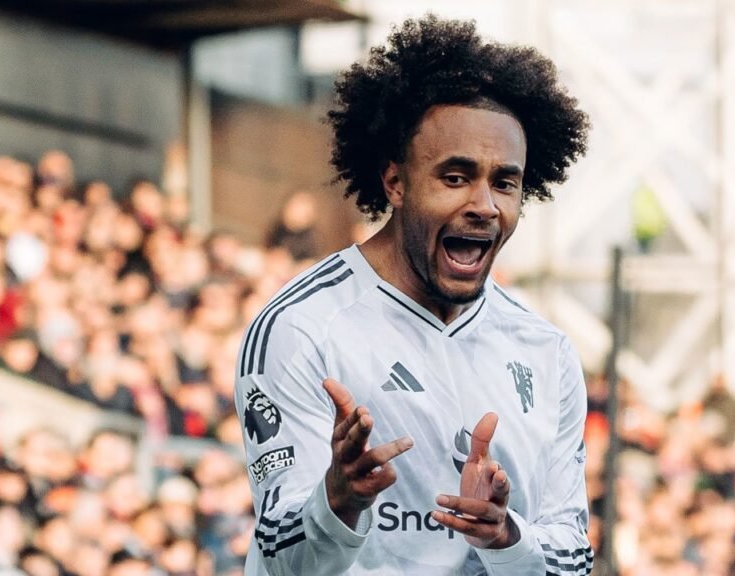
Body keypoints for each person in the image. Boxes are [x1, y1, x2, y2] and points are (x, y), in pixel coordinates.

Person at [234, 15, 591, 575]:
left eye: (504, 182)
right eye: (455, 177)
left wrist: (506, 536)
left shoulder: (546, 351)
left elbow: (573, 557)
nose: (485, 206)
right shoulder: (301, 327)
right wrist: (338, 500)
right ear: (395, 183)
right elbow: (282, 561)